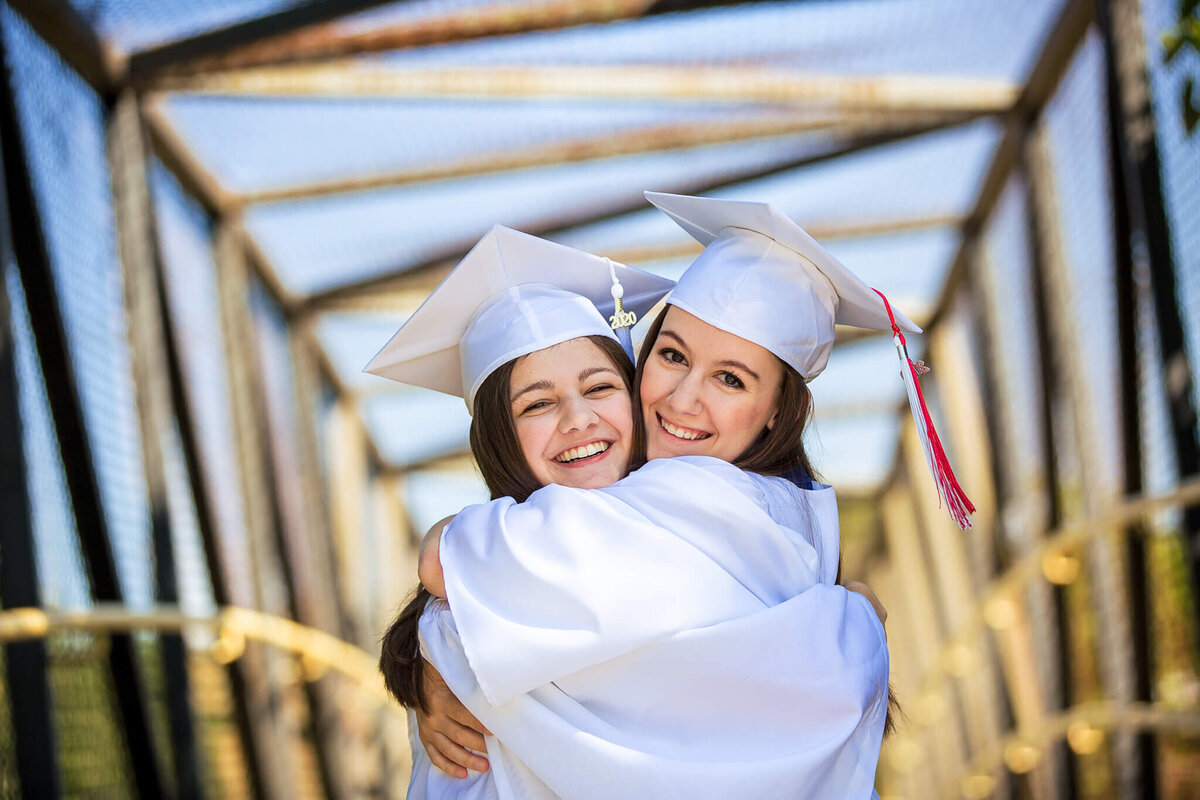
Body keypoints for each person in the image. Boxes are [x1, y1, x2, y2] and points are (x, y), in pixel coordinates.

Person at [384, 195, 964, 798]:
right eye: (672, 355)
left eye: (731, 379)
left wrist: (429, 626)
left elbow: (446, 568)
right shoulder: (792, 518)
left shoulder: (692, 499)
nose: (684, 399)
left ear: (777, 413)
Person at [367, 223, 675, 798]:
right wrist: (426, 662)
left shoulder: (697, 519)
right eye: (537, 403)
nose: (578, 418)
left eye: (601, 387)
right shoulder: (458, 614)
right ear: (498, 439)